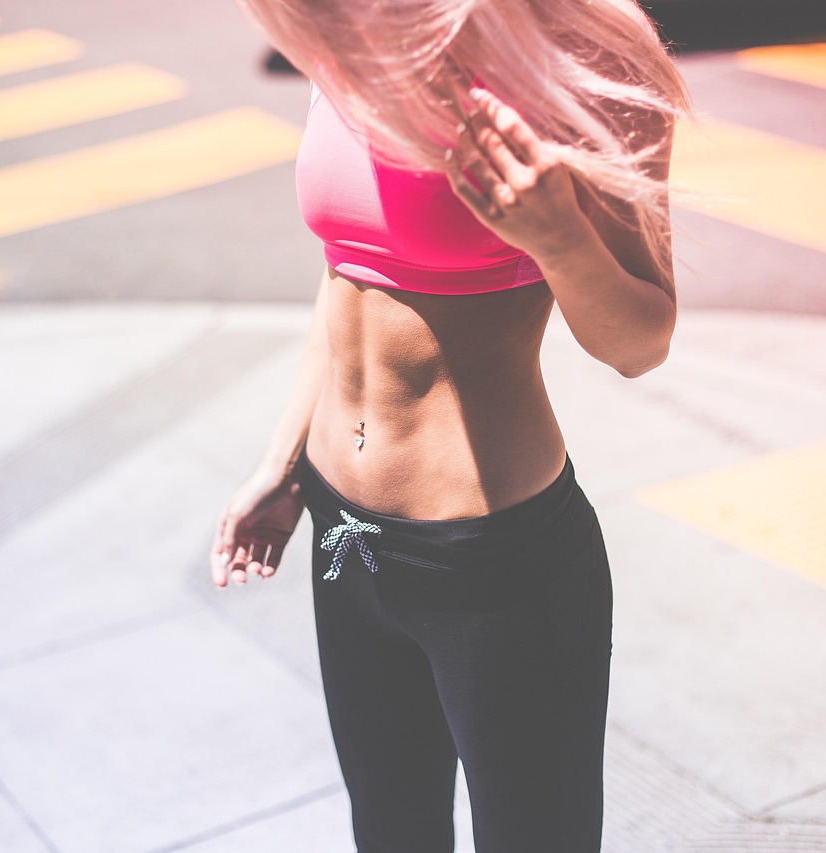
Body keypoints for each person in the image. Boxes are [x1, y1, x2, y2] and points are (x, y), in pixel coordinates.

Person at [211, 0, 691, 849]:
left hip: (491, 561)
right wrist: (282, 465)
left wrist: (559, 238)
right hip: (343, 531)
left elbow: (640, 344)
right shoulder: (347, 25)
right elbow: (347, 277)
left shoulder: (590, 47)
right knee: (390, 832)